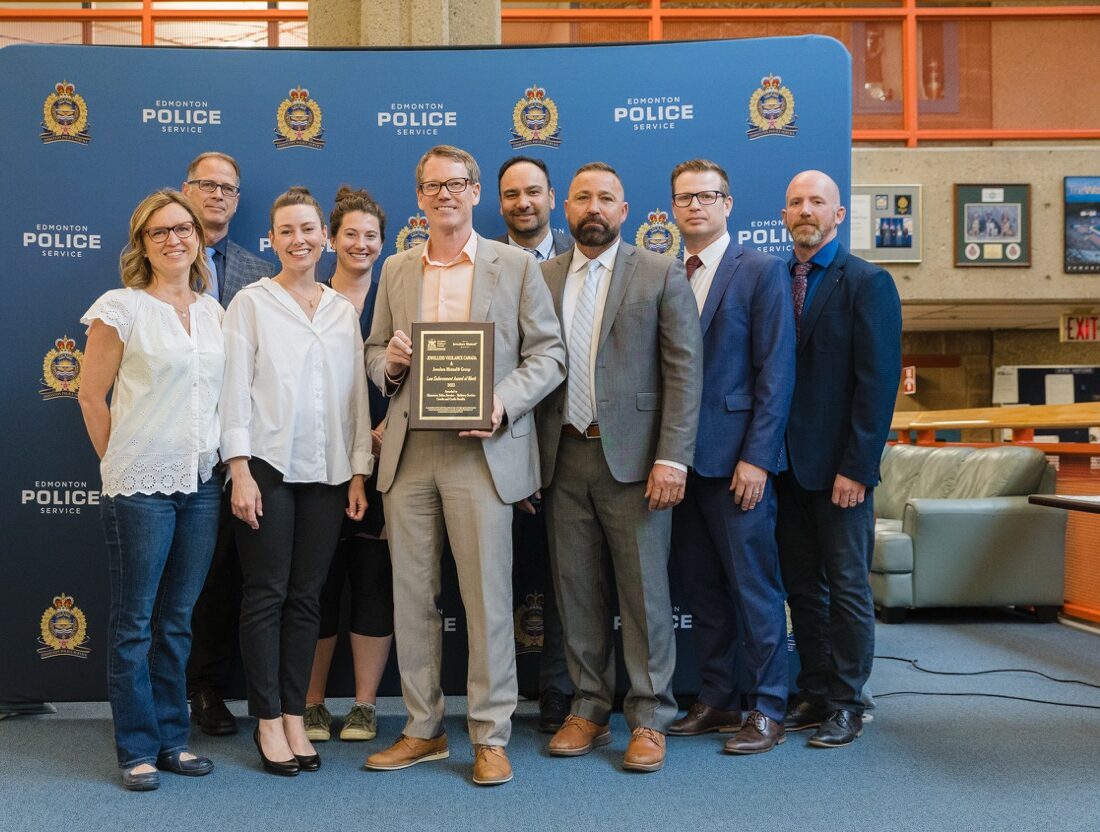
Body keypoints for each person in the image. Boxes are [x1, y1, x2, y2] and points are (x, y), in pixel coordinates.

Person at [364, 145, 565, 787]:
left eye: (457, 183)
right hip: (409, 452)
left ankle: (490, 734)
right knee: (411, 600)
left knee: (487, 601)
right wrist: (392, 364)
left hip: (482, 451)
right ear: (419, 197)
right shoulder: (397, 269)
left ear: (476, 192)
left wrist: (502, 403)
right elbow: (373, 352)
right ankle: (423, 729)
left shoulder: (516, 265)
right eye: (433, 185)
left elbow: (550, 355)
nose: (445, 194)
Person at [535, 162, 702, 773]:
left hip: (636, 462)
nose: (594, 208)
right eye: (583, 198)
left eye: (606, 198)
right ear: (566, 208)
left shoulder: (659, 272)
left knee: (644, 596)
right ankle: (588, 708)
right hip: (562, 458)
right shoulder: (543, 277)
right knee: (576, 592)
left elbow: (684, 371)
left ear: (624, 210)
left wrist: (672, 458)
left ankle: (650, 716)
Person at [220, 186, 373, 776]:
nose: (299, 239)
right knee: (267, 594)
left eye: (308, 229)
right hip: (266, 465)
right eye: (286, 230)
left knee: (308, 597)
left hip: (329, 471)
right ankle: (266, 718)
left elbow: (355, 398)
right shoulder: (251, 303)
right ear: (273, 239)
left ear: (325, 238)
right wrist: (238, 468)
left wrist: (358, 471)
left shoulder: (341, 310)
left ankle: (293, 713)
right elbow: (234, 389)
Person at [77, 189, 224, 791]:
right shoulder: (122, 307)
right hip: (139, 486)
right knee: (136, 621)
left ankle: (172, 740)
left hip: (202, 483)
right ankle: (136, 748)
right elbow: (91, 396)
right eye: (158, 231)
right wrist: (120, 464)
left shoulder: (214, 312)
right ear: (142, 243)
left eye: (183, 228)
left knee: (178, 620)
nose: (173, 239)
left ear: (198, 237)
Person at [666, 159, 796, 754]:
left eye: (707, 196)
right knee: (702, 592)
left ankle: (768, 707)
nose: (695, 206)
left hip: (739, 463)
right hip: (680, 465)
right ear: (672, 208)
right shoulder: (668, 274)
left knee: (755, 591)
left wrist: (758, 459)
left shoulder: (760, 270)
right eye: (684, 198)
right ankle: (718, 698)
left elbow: (777, 372)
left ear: (728, 203)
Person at [777, 170, 901, 748]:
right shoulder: (776, 280)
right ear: (785, 215)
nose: (806, 210)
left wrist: (857, 467)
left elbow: (877, 385)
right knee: (803, 588)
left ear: (838, 215)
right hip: (786, 469)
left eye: (817, 202)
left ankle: (849, 701)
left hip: (841, 471)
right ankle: (815, 689)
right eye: (796, 202)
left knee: (848, 588)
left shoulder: (868, 283)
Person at [182, 151, 277, 737]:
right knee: (188, 576)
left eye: (227, 188)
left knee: (234, 576)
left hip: (248, 444)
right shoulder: (157, 264)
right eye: (206, 184)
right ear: (186, 190)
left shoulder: (259, 272)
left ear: (238, 200)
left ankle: (212, 686)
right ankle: (181, 689)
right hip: (180, 442)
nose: (217, 194)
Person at [303, 186, 394, 744]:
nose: (361, 244)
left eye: (371, 236)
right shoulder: (308, 299)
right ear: (331, 240)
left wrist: (392, 430)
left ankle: (364, 706)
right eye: (351, 234)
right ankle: (312, 703)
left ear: (384, 243)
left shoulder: (397, 296)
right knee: (318, 583)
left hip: (389, 462)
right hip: (319, 463)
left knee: (374, 580)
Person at [495, 155, 573, 733]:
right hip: (500, 442)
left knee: (570, 576)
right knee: (494, 577)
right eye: (511, 194)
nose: (523, 202)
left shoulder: (584, 259)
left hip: (573, 444)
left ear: (552, 198)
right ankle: (495, 695)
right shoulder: (483, 263)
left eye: (533, 192)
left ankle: (560, 690)